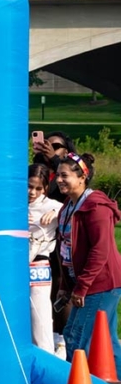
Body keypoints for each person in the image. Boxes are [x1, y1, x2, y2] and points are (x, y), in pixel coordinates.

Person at [55, 153, 121, 364]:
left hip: (101, 283)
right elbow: (66, 250)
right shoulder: (67, 207)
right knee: (107, 343)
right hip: (83, 282)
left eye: (64, 175)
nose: (58, 180)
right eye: (57, 175)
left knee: (75, 336)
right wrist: (66, 285)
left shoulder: (96, 207)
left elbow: (99, 251)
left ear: (82, 177)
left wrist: (82, 287)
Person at [28, 163, 62, 356]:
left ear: (45, 188)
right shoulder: (14, 203)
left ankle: (46, 369)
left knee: (40, 321)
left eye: (38, 188)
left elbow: (73, 209)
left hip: (37, 266)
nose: (32, 192)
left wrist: (57, 212)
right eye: (29, 186)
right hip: (12, 268)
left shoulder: (52, 205)